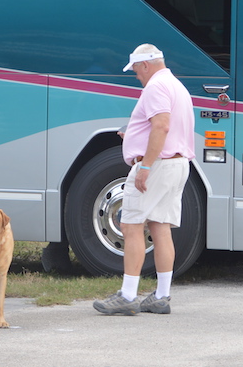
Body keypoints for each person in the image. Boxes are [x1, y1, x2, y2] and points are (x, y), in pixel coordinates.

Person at [93, 43, 195, 316]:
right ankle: (161, 295)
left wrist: (145, 165)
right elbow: (165, 127)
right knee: (161, 227)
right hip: (178, 163)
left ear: (146, 65)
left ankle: (127, 296)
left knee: (130, 225)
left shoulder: (155, 87)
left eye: (137, 70)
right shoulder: (177, 86)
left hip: (157, 166)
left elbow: (161, 125)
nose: (137, 76)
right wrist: (136, 137)